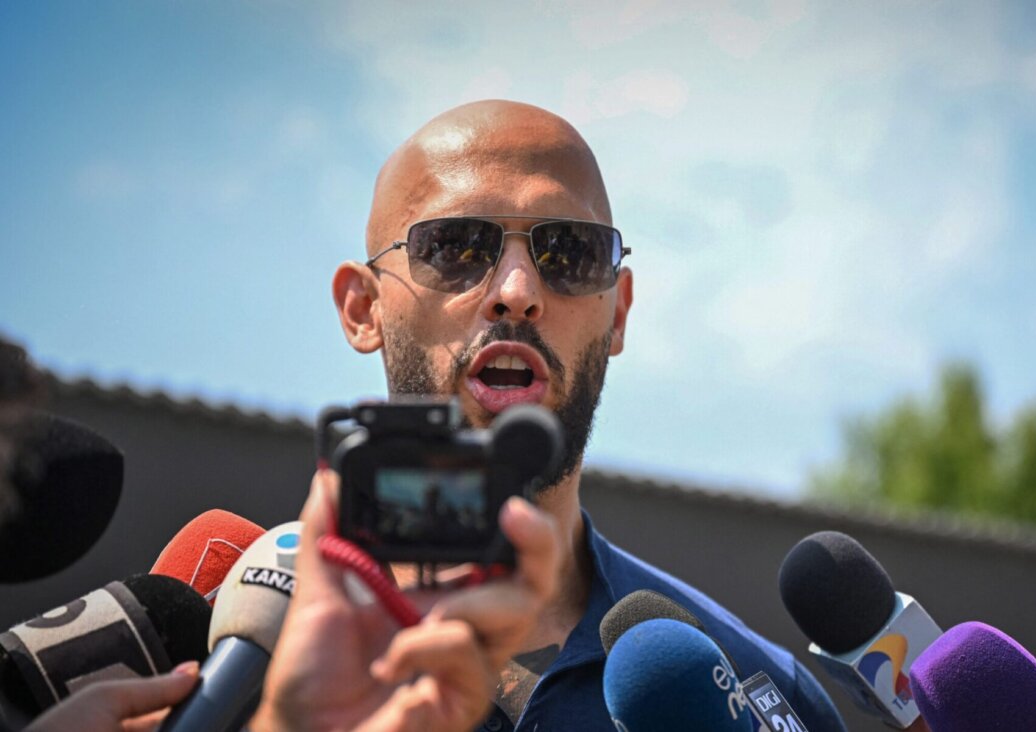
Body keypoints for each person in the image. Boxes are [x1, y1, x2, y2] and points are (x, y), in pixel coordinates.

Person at [258, 100, 847, 731]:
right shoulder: (228, 662)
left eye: (569, 252)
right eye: (456, 245)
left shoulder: (757, 691)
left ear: (617, 314)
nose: (517, 292)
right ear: (362, 309)